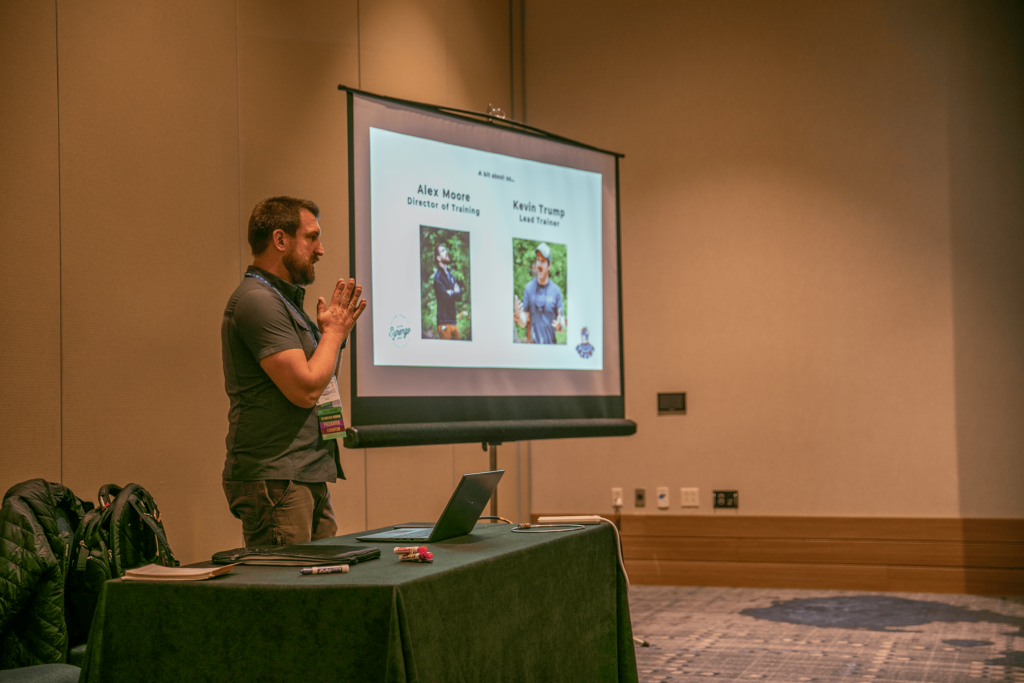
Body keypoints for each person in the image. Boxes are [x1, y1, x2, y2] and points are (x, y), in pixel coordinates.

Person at [221, 196, 366, 547]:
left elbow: (322, 380)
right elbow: (305, 390)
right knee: (286, 597)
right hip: (276, 477)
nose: (320, 250)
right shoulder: (257, 301)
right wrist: (332, 334)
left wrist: (335, 338)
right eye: (311, 237)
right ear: (280, 239)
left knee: (319, 595)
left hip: (304, 473)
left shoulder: (286, 303)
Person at [514, 242, 565, 344]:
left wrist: (559, 325)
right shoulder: (529, 288)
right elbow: (523, 322)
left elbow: (561, 323)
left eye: (542, 261)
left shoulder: (556, 290)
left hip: (551, 347)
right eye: (538, 260)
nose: (539, 264)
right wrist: (519, 316)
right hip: (534, 349)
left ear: (549, 266)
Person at [432, 244, 463, 340]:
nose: (446, 252)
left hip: (454, 322)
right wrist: (454, 292)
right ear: (438, 257)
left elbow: (460, 296)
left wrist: (451, 293)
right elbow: (447, 299)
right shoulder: (437, 278)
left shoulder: (451, 276)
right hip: (444, 323)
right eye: (442, 251)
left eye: (445, 250)